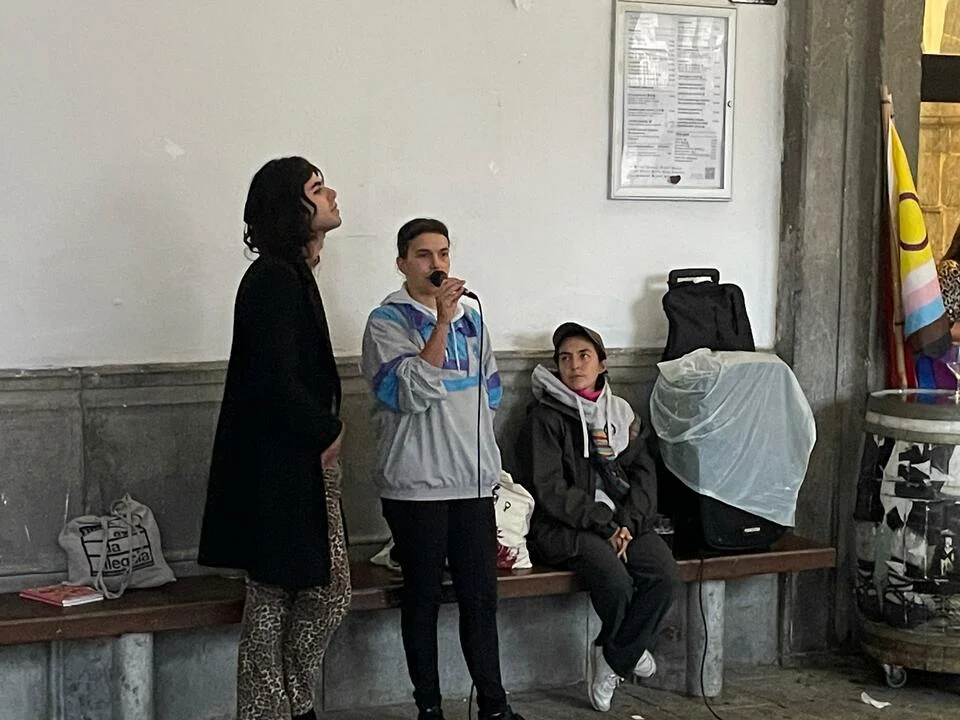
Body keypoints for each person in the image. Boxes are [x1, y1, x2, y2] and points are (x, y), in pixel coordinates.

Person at [198, 157, 350, 720]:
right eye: (317, 188)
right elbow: (272, 380)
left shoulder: (290, 274)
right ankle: (272, 709)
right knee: (279, 592)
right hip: (280, 467)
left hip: (295, 462)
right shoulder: (272, 279)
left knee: (312, 591)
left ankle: (290, 703)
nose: (331, 194)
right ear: (293, 207)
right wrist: (326, 429)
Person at [361, 218, 524, 720]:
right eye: (424, 255)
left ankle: (494, 705)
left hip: (471, 483)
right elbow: (409, 391)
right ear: (402, 263)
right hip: (416, 487)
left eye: (444, 253)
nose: (437, 264)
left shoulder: (473, 319)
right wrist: (441, 324)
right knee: (423, 598)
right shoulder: (386, 322)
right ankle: (429, 707)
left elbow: (490, 392)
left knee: (480, 598)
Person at [516, 323, 680, 713]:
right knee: (615, 580)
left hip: (622, 523)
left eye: (583, 356)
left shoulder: (620, 415)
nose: (574, 365)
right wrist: (605, 524)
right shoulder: (545, 418)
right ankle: (629, 649)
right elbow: (550, 489)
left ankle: (614, 655)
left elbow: (644, 476)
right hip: (565, 526)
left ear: (602, 364)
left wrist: (627, 524)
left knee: (665, 574)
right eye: (565, 358)